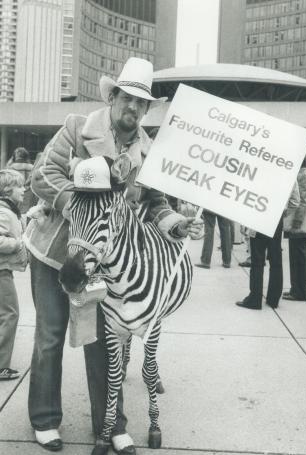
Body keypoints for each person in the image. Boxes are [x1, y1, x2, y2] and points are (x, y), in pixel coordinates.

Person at [24, 57, 202, 454]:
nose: (134, 109)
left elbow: (157, 200)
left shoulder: (147, 149)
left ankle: (111, 423)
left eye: (142, 104)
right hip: (55, 250)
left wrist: (175, 222)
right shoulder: (76, 127)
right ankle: (44, 418)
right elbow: (42, 175)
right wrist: (79, 203)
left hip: (106, 261)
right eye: (128, 99)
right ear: (113, 97)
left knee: (102, 343)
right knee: (50, 336)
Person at [236, 182, 300, 310]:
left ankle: (255, 298)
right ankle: (273, 298)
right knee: (276, 259)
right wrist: (283, 213)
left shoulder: (261, 168)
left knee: (257, 260)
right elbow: (295, 201)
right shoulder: (289, 172)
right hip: (277, 216)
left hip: (258, 214)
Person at [0, 169, 28, 380]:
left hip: (4, 270)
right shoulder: (3, 211)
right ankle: (1, 366)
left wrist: (31, 216)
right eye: (20, 186)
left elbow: (14, 226)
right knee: (10, 314)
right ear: (8, 189)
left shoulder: (10, 210)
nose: (24, 189)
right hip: (1, 272)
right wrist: (19, 244)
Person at [283, 157, 306, 301]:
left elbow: (303, 200)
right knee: (296, 257)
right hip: (298, 223)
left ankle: (299, 292)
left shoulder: (303, 175)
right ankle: (296, 289)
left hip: (299, 224)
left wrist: (296, 222)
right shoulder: (303, 174)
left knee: (298, 258)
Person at [6, 147, 35, 214]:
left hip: (15, 191)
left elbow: (7, 181)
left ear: (15, 155)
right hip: (29, 193)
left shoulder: (11, 167)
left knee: (14, 212)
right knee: (27, 213)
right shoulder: (32, 167)